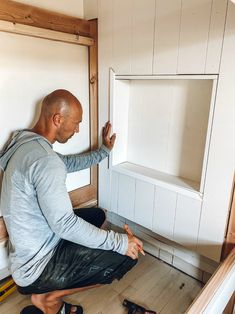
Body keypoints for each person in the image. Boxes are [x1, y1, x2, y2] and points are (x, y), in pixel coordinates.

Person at [0, 89, 143, 314]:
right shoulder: (45, 159)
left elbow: (67, 163)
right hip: (36, 268)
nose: (77, 129)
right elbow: (64, 224)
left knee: (98, 216)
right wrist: (121, 243)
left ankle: (51, 293)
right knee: (128, 257)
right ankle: (48, 297)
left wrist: (103, 152)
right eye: (76, 123)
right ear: (57, 119)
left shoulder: (25, 144)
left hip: (30, 250)